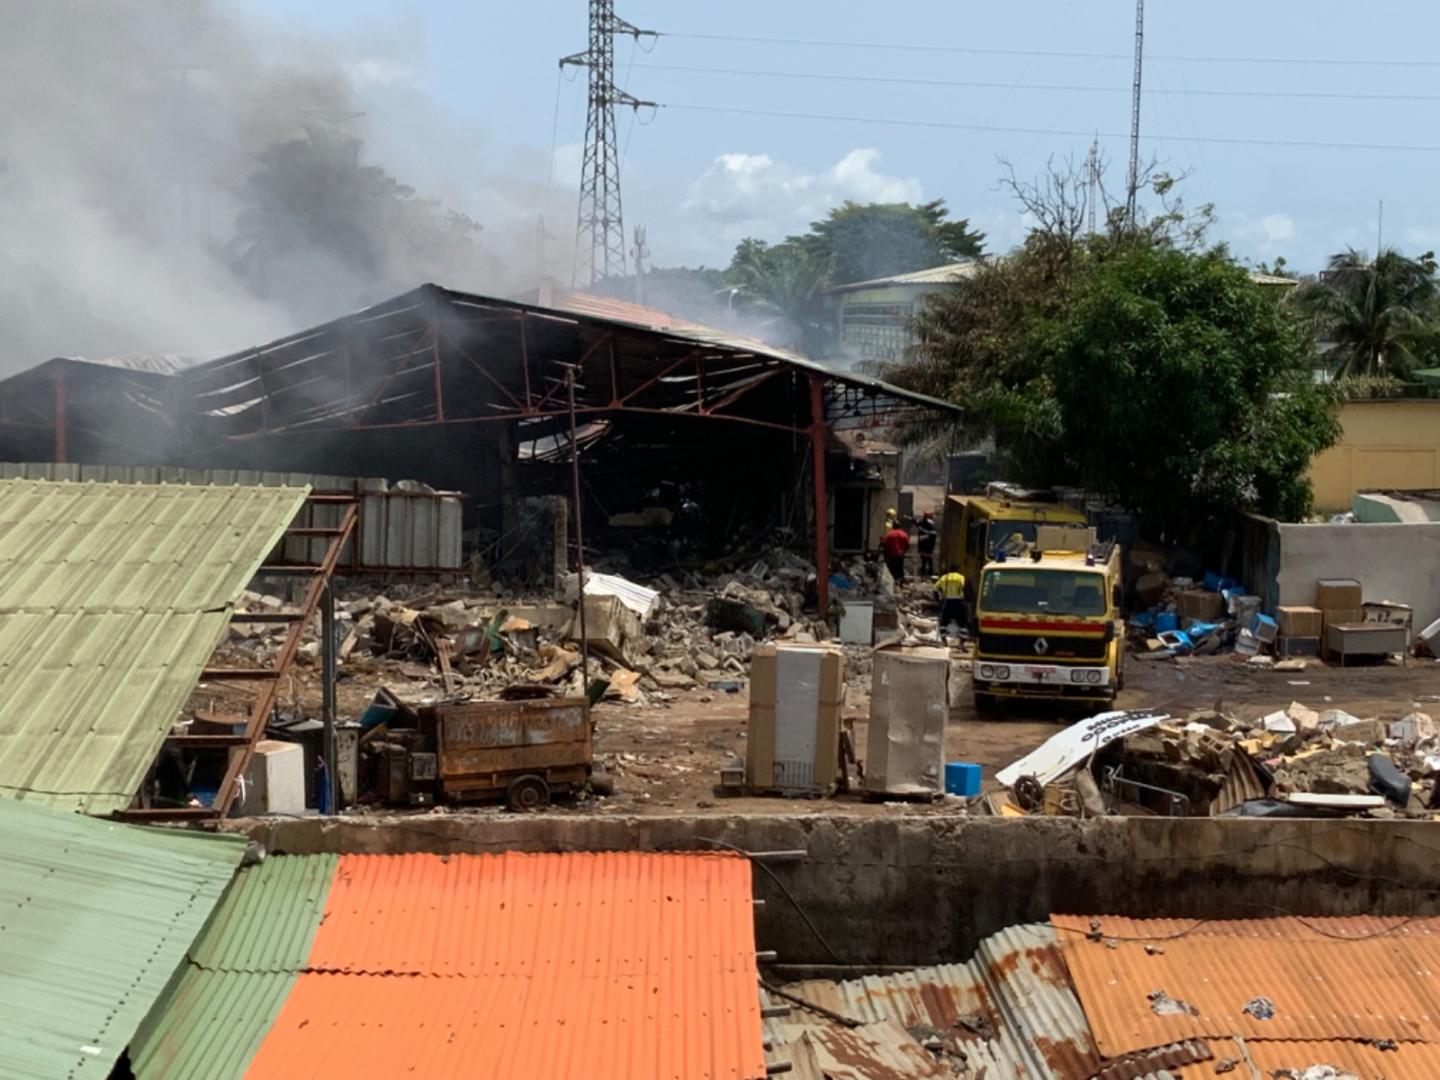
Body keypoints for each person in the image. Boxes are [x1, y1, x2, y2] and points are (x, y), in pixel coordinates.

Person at [935, 564, 968, 635]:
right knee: (962, 621)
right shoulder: (961, 577)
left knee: (944, 621)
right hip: (958, 601)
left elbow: (935, 588)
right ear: (957, 570)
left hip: (946, 601)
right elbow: (964, 587)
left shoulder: (944, 578)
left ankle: (943, 639)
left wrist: (937, 598)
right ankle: (962, 641)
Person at [916, 510, 938, 576]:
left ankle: (924, 573)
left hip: (923, 546)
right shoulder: (929, 524)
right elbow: (933, 534)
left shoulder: (921, 523)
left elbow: (916, 522)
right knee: (929, 562)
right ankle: (928, 574)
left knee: (924, 562)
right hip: (928, 547)